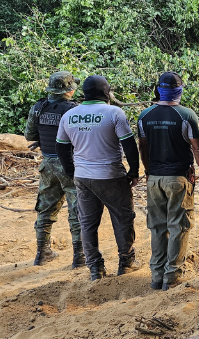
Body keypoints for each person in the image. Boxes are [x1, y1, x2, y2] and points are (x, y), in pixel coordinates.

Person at [55, 75, 141, 281]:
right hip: (111, 175)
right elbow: (129, 145)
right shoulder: (114, 113)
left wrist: (72, 172)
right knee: (122, 218)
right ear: (106, 92)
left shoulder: (69, 115)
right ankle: (126, 262)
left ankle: (95, 268)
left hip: (83, 177)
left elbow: (61, 147)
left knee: (87, 223)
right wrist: (134, 171)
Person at [138, 72, 199, 291]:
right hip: (179, 178)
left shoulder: (145, 115)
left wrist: (148, 171)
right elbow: (198, 148)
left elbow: (143, 147)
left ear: (159, 90)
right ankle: (172, 275)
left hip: (154, 178)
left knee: (157, 226)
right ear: (179, 91)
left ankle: (156, 275)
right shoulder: (186, 115)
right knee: (179, 226)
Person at [24, 71, 82, 268]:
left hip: (48, 164)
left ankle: (42, 253)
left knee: (45, 209)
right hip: (70, 164)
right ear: (69, 90)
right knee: (77, 209)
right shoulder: (75, 110)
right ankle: (80, 256)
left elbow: (29, 135)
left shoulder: (38, 108)